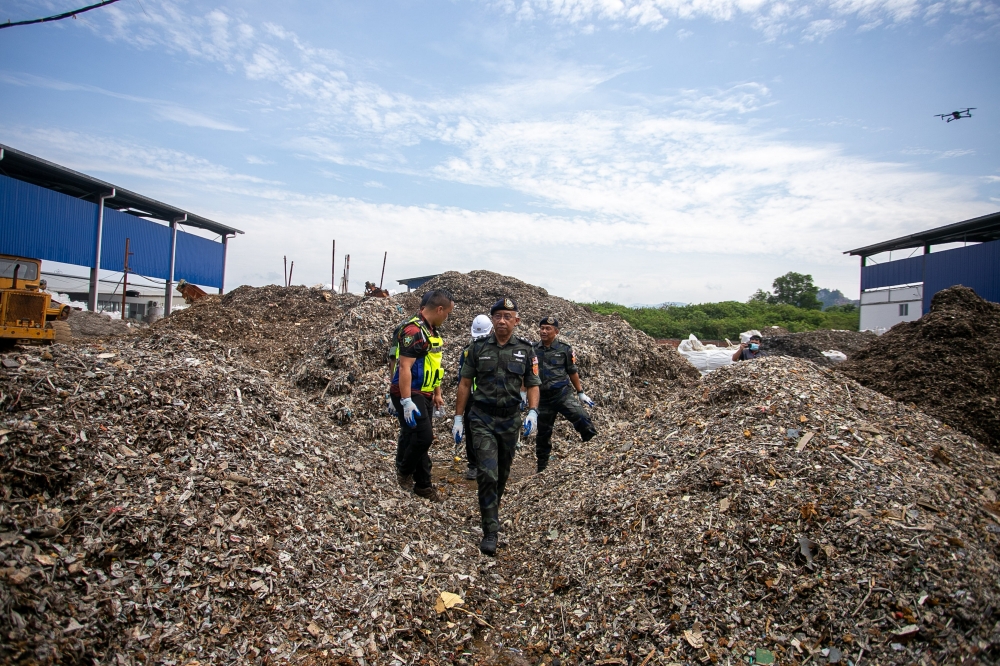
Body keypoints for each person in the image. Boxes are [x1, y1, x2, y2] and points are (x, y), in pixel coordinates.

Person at [453, 297, 540, 556]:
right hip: (481, 418)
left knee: (502, 473)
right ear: (492, 320)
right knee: (487, 472)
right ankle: (490, 528)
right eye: (498, 316)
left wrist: (533, 412)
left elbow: (533, 383)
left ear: (517, 320)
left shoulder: (526, 350)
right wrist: (458, 417)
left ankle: (491, 508)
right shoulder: (477, 348)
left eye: (507, 316)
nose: (502, 320)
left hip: (510, 419)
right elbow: (465, 383)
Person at [389, 289, 454, 501]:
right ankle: (403, 472)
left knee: (415, 437)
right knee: (423, 437)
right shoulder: (413, 331)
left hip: (424, 391)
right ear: (439, 309)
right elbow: (403, 367)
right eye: (447, 313)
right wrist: (405, 400)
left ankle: (423, 486)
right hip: (411, 392)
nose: (447, 318)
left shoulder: (431, 331)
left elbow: (433, 364)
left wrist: (437, 392)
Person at [532, 316, 598, 473]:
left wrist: (581, 392)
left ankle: (595, 454)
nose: (544, 331)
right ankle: (542, 468)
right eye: (542, 328)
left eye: (548, 329)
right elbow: (528, 373)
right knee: (543, 433)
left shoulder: (565, 349)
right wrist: (523, 393)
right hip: (543, 399)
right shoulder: (533, 349)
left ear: (556, 331)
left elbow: (572, 371)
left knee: (582, 418)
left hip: (562, 394)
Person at [456, 314, 494, 480]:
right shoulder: (467, 352)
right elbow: (463, 381)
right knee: (472, 433)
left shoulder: (499, 350)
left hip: (493, 398)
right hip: (474, 399)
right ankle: (473, 466)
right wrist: (458, 415)